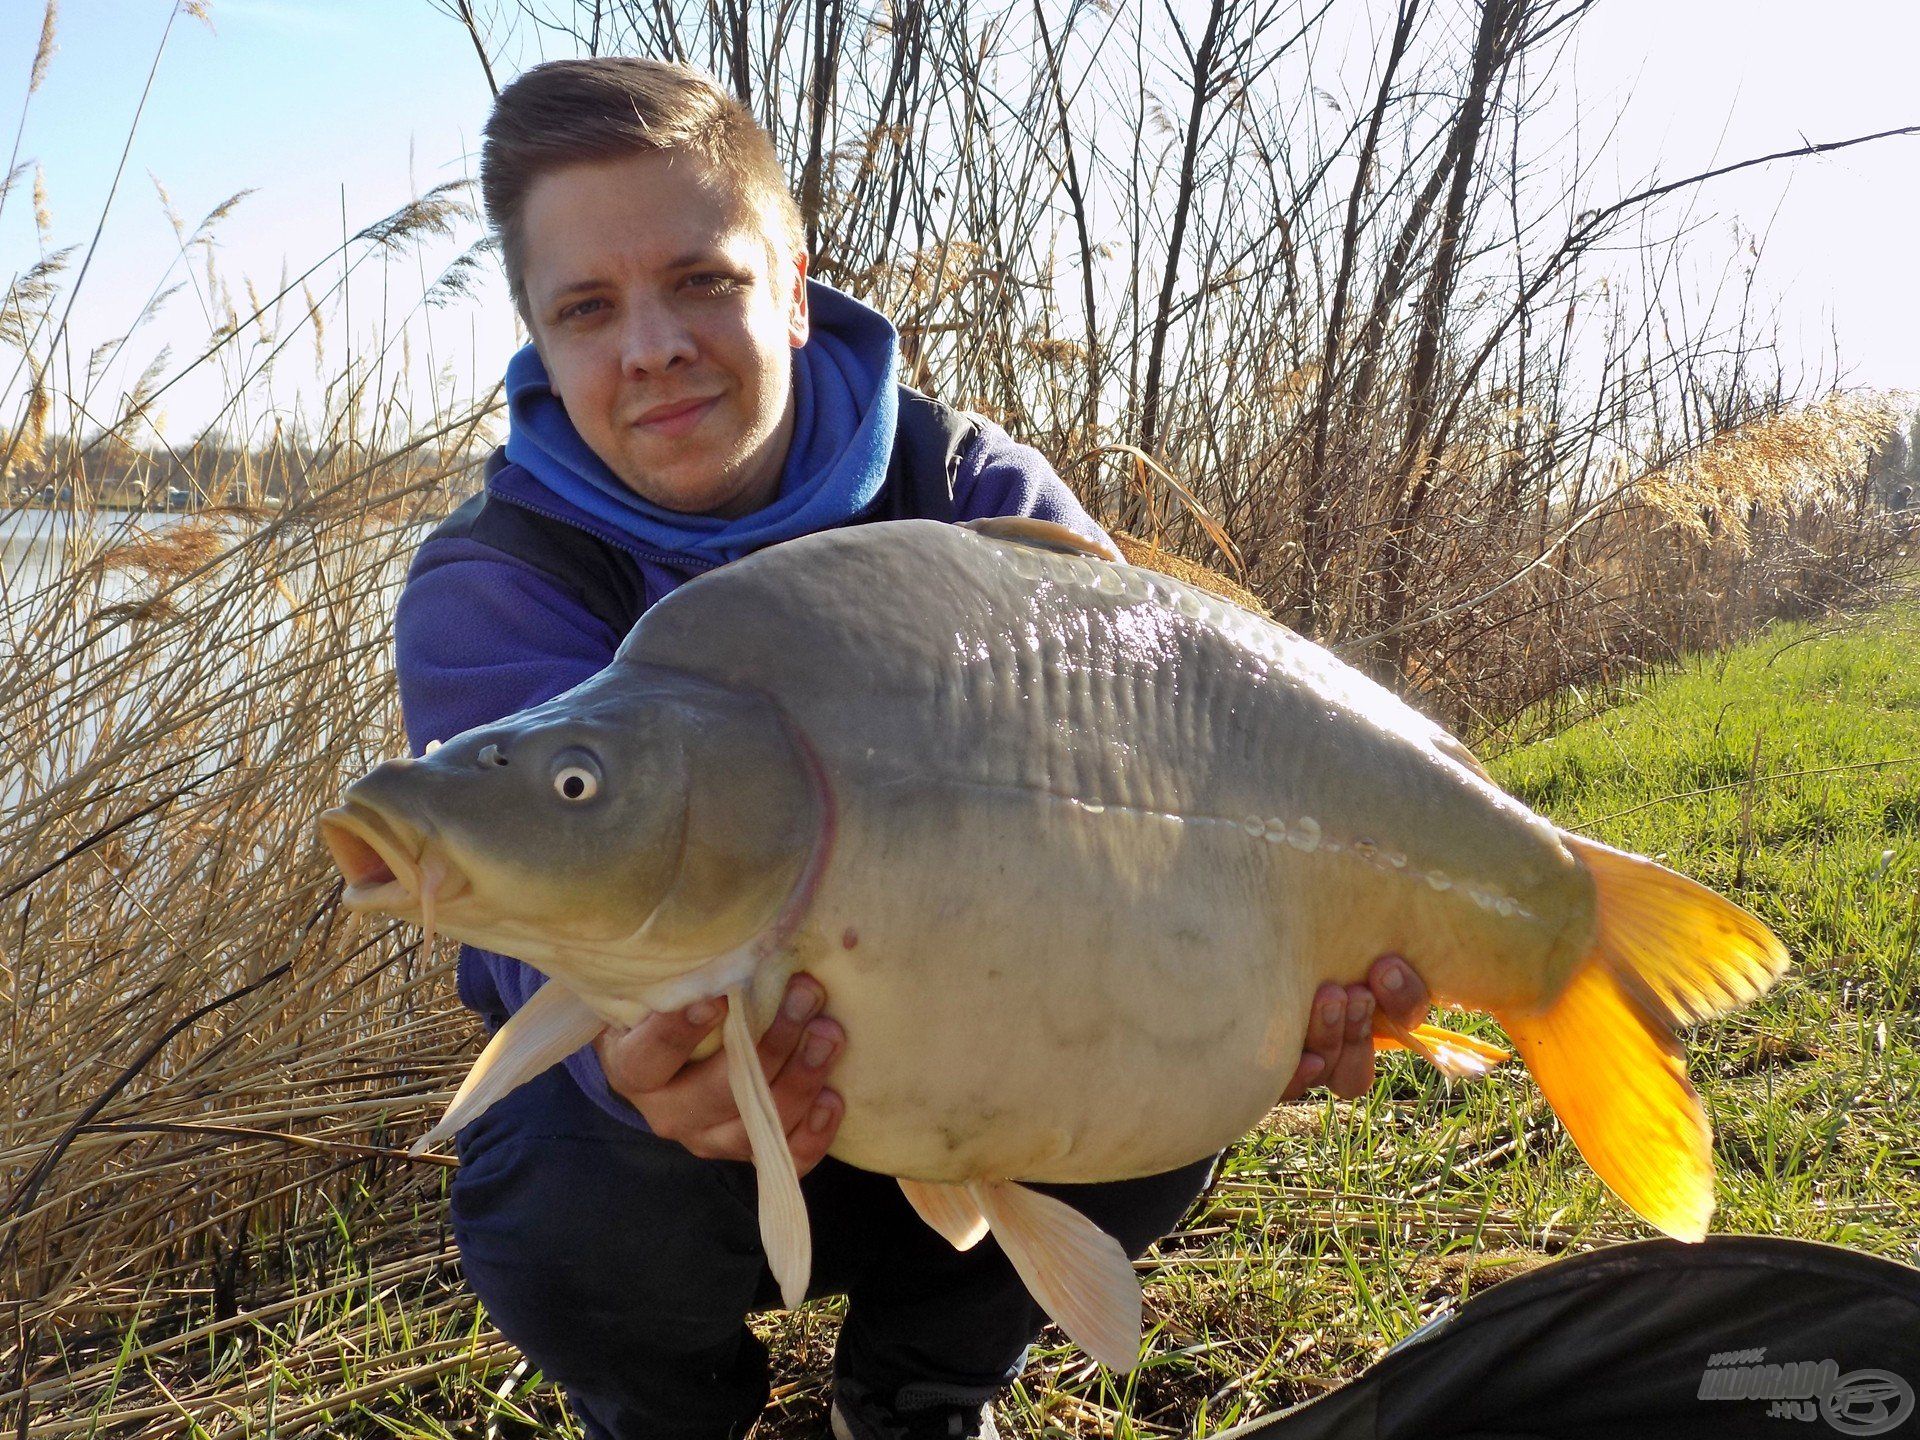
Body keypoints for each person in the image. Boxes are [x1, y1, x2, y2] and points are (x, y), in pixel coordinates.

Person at [391, 56, 1436, 1440]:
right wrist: (633, 1063)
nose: (651, 346)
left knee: (1181, 1047)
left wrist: (1267, 975)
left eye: (703, 279)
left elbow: (1174, 783)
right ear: (537, 335)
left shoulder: (971, 494)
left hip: (993, 1045)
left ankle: (922, 1392)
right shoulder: (501, 578)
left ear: (795, 284)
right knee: (545, 1164)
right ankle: (670, 1414)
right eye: (589, 307)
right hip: (687, 1127)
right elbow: (528, 906)